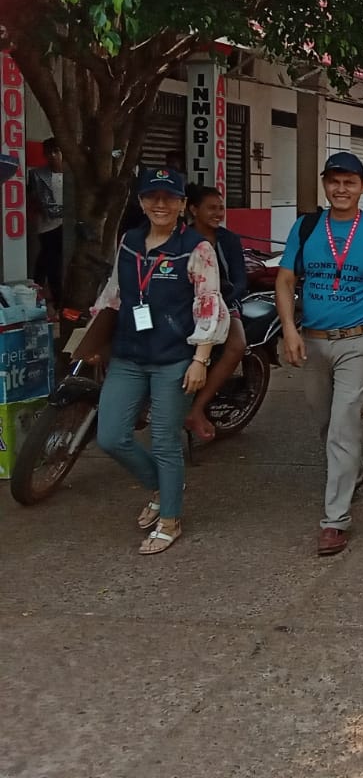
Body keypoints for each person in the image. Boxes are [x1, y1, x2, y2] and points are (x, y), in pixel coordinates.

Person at [86, 168, 228, 554]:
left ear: (183, 204)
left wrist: (200, 358)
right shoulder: (130, 242)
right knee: (111, 436)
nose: (160, 204)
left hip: (173, 360)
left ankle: (169, 518)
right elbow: (114, 292)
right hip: (129, 355)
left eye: (169, 197)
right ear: (141, 202)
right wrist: (94, 336)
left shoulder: (196, 248)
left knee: (164, 441)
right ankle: (163, 486)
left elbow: (208, 304)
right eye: (152, 197)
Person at [276, 152, 363, 556]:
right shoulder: (307, 227)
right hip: (313, 340)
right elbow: (284, 280)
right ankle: (354, 471)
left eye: (350, 182)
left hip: (359, 341)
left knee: (344, 423)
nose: (341, 189)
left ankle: (335, 521)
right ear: (325, 185)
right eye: (334, 181)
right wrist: (290, 331)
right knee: (325, 421)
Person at [183, 185, 249, 442]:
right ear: (193, 209)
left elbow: (240, 280)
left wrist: (222, 303)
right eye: (211, 208)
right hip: (185, 306)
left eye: (220, 208)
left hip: (225, 304)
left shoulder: (229, 240)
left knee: (237, 345)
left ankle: (198, 409)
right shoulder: (181, 239)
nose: (218, 213)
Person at [28, 137, 64, 308]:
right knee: (50, 261)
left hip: (68, 225)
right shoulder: (37, 174)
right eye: (49, 153)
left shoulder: (73, 175)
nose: (53, 156)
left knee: (55, 261)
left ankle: (55, 299)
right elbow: (38, 202)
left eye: (56, 151)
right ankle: (52, 299)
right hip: (48, 225)